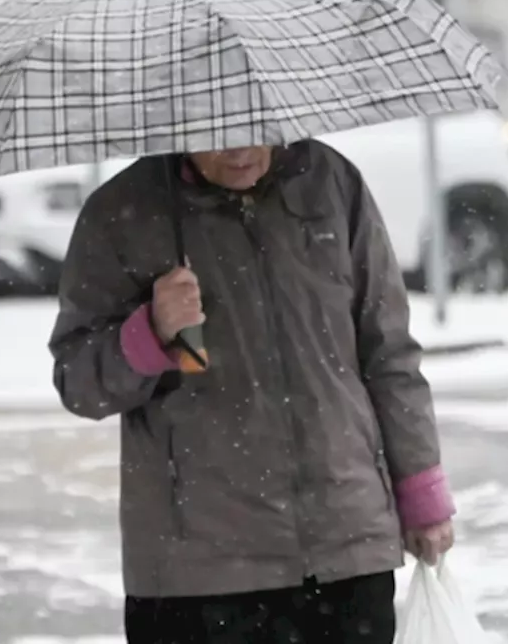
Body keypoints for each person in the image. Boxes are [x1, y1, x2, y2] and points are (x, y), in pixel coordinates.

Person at [50, 140, 456, 644]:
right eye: (216, 136)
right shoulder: (124, 213)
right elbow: (79, 382)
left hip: (345, 548)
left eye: (254, 128)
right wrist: (149, 332)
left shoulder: (330, 183)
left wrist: (420, 488)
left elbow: (388, 350)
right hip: (200, 572)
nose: (240, 149)